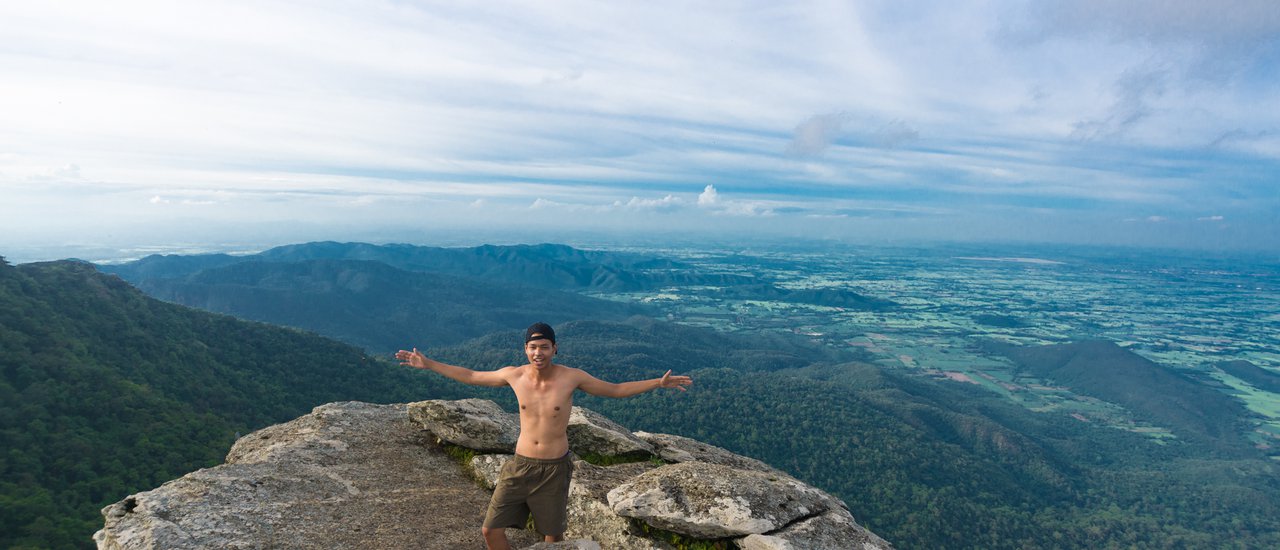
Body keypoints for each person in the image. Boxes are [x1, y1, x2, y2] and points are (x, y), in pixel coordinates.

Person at [396, 322, 693, 549]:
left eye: (545, 347)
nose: (539, 353)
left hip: (554, 468)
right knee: (490, 530)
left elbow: (614, 389)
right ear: (526, 349)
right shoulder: (514, 375)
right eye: (533, 347)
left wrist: (657, 382)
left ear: (555, 349)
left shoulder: (571, 377)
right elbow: (472, 376)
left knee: (553, 537)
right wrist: (429, 364)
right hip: (521, 464)